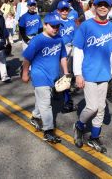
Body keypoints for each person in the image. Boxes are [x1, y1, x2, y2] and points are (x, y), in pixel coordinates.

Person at [73, 0, 112, 154]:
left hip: (105, 74)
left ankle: (94, 137)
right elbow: (78, 50)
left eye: (105, 5)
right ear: (94, 6)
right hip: (88, 73)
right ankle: (79, 126)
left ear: (110, 7)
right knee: (92, 107)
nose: (102, 7)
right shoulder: (86, 26)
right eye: (99, 4)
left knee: (101, 108)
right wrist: (77, 73)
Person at [22, 12, 68, 144]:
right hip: (39, 75)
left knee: (43, 100)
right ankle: (48, 131)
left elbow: (63, 56)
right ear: (45, 25)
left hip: (53, 76)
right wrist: (25, 73)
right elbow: (27, 58)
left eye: (57, 26)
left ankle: (35, 116)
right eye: (52, 26)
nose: (55, 28)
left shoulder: (59, 39)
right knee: (46, 103)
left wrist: (66, 73)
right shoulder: (37, 40)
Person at [57, 0, 78, 113]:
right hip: (60, 50)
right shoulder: (56, 22)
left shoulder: (71, 22)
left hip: (70, 48)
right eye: (62, 9)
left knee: (67, 74)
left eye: (66, 9)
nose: (65, 11)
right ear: (58, 10)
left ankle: (59, 94)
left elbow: (75, 35)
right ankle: (67, 103)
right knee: (64, 75)